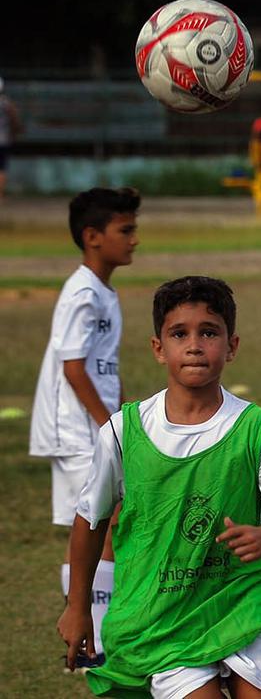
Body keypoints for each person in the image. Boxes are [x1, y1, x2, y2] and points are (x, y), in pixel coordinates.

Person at [58, 276, 261, 697]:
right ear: (158, 347)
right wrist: (77, 606)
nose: (194, 346)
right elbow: (91, 519)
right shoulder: (123, 432)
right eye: (180, 334)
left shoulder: (257, 429)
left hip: (241, 601)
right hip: (162, 616)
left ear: (231, 346)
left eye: (209, 333)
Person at [29, 187, 140, 671]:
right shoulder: (82, 293)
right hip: (76, 429)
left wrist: (124, 416)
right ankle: (90, 643)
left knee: (108, 520)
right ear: (92, 236)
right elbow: (73, 368)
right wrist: (107, 425)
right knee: (99, 521)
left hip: (94, 427)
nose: (134, 239)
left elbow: (101, 367)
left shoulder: (102, 290)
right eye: (125, 230)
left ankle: (95, 638)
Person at [0, 75, 23, 202]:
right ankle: (0, 195)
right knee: (2, 168)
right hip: (3, 140)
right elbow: (15, 120)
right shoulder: (6, 103)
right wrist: (15, 133)